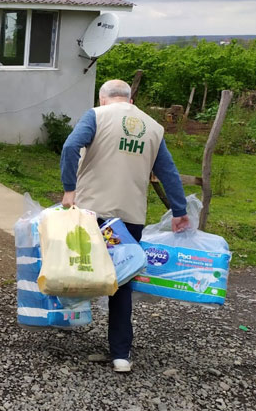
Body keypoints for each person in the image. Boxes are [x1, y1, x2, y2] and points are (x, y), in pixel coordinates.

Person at [60, 79, 189, 372]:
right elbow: (168, 171)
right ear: (130, 101)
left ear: (103, 99)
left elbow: (70, 146)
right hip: (130, 218)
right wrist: (179, 210)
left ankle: (64, 321)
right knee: (122, 283)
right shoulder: (154, 128)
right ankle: (121, 355)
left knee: (74, 266)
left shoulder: (96, 115)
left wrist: (69, 188)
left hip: (91, 213)